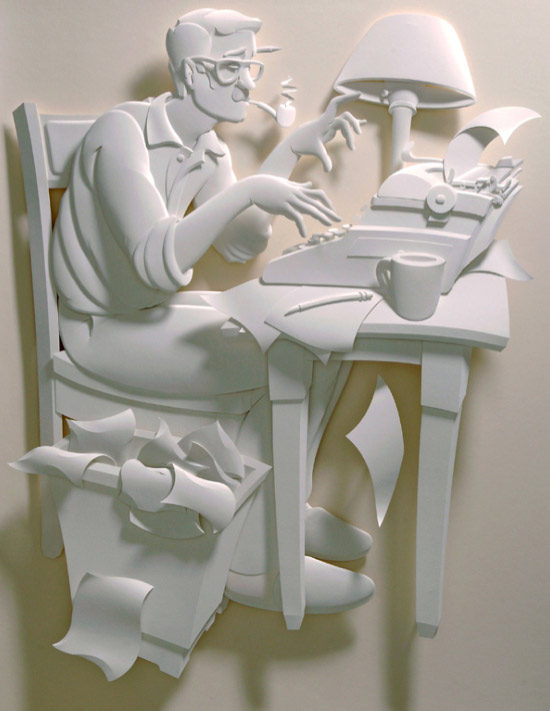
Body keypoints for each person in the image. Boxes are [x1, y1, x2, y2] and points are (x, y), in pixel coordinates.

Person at [52, 8, 374, 613]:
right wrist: (251, 189)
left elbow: (241, 241)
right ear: (190, 72)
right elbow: (155, 260)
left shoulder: (205, 144)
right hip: (101, 329)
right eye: (232, 68)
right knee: (279, 357)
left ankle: (283, 507)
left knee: (319, 342)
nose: (247, 82)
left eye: (251, 66)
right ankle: (252, 563)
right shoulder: (120, 132)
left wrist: (287, 152)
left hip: (151, 315)